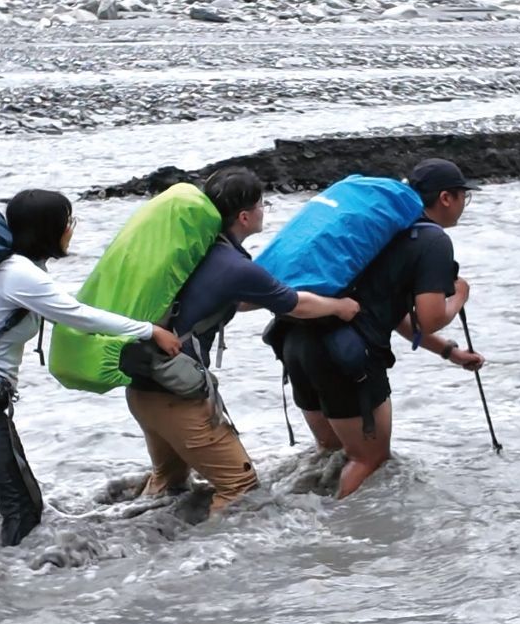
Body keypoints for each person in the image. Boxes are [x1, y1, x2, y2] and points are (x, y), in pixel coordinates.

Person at [0, 189, 181, 545]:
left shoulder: (11, 267)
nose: (71, 229)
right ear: (49, 228)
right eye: (68, 221)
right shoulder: (20, 275)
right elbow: (79, 316)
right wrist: (151, 330)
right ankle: (15, 592)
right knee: (24, 509)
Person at [123, 167, 360, 516]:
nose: (265, 209)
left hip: (144, 389)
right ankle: (212, 568)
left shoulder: (197, 251)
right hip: (175, 397)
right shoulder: (234, 266)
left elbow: (248, 298)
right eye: (263, 203)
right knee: (242, 491)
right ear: (245, 216)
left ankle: (136, 548)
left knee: (168, 487)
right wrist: (340, 307)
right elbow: (294, 304)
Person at [274, 157, 489, 496]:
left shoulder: (381, 231)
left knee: (330, 454)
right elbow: (430, 316)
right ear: (447, 198)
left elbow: (395, 315)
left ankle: (297, 517)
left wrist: (450, 352)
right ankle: (333, 538)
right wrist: (460, 295)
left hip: (297, 343)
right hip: (345, 359)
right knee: (368, 459)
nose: (464, 204)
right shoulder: (433, 242)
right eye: (465, 196)